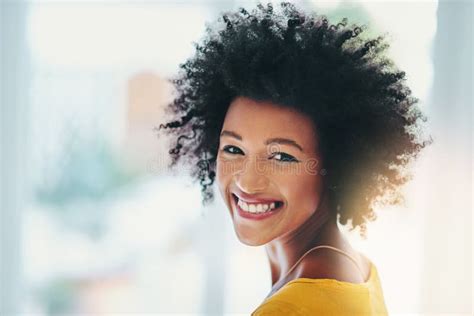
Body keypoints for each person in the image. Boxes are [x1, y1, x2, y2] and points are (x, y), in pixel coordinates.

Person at [158, 2, 432, 315]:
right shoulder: (354, 267)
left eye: (282, 157)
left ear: (338, 165)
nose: (248, 180)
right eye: (233, 149)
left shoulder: (292, 308)